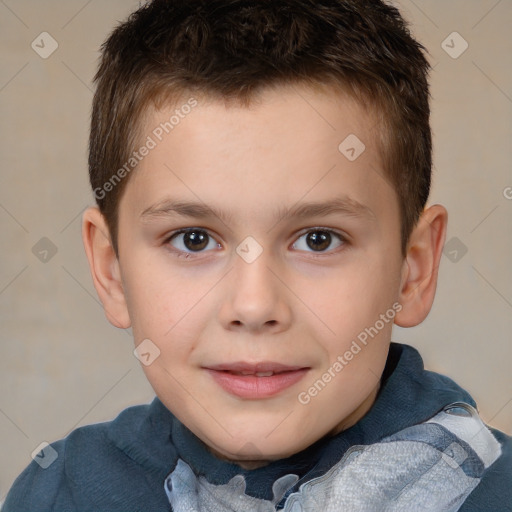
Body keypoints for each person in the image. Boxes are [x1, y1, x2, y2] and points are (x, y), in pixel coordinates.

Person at [4, 0, 511, 510]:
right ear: (112, 271)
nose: (254, 305)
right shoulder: (57, 491)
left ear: (413, 269)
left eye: (318, 239)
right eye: (193, 239)